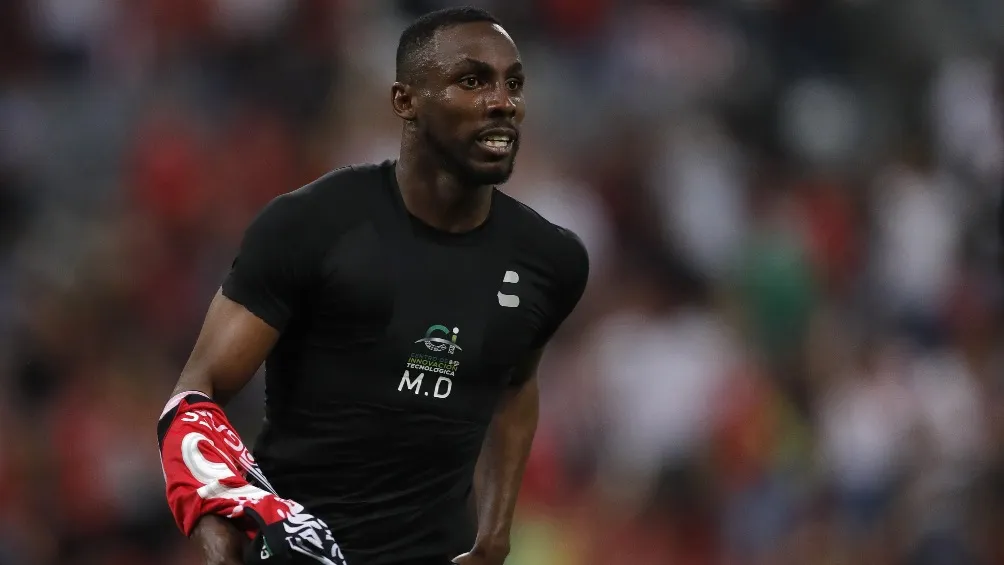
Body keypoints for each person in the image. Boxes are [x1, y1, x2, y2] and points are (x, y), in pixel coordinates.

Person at [157, 6, 589, 565]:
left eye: (514, 83)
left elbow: (516, 385)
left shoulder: (549, 260)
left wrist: (495, 535)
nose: (503, 101)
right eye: (472, 80)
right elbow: (197, 393)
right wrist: (223, 531)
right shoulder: (311, 226)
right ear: (405, 101)